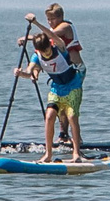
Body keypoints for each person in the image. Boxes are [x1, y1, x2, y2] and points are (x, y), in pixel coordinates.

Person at [16, 12, 87, 162]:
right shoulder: (37, 56)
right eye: (43, 51)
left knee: (72, 116)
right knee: (49, 117)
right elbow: (30, 73)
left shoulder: (59, 47)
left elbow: (51, 34)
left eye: (47, 49)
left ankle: (76, 154)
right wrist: (21, 73)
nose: (46, 53)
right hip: (56, 89)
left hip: (73, 86)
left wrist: (35, 23)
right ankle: (48, 155)